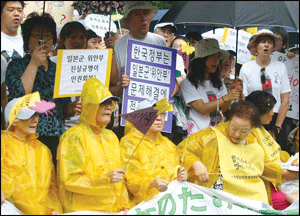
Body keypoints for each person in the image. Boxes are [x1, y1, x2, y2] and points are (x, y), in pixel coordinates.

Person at [5, 12, 81, 168]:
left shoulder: (59, 69)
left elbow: (64, 108)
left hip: (57, 136)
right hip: (28, 137)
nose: (43, 41)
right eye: (37, 36)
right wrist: (33, 64)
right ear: (27, 39)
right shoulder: (17, 65)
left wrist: (72, 108)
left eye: (47, 36)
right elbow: (19, 98)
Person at [177, 100, 284, 204]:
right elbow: (181, 150)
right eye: (233, 128)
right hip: (221, 199)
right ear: (228, 120)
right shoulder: (210, 136)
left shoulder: (254, 141)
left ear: (252, 128)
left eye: (243, 131)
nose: (237, 134)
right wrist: (196, 163)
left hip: (252, 197)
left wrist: (286, 172)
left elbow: (265, 166)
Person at [57, 78, 131, 213]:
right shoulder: (74, 136)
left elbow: (120, 178)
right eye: (103, 103)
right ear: (90, 106)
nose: (109, 107)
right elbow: (70, 180)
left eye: (111, 103)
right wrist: (105, 179)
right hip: (84, 210)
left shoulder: (111, 137)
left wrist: (124, 204)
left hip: (113, 210)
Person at [107, 1, 166, 140]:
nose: (143, 18)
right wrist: (122, 86)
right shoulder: (119, 46)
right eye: (137, 14)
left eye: (145, 13)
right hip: (130, 113)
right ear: (128, 20)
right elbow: (111, 88)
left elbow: (170, 76)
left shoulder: (160, 42)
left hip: (158, 112)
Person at [1, 93, 62, 215]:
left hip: (40, 211)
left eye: (36, 115)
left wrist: (54, 208)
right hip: (10, 208)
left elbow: (51, 186)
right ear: (14, 121)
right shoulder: (3, 143)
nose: (35, 120)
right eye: (28, 116)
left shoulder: (43, 150)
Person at [120, 98, 188, 205]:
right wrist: (151, 183)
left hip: (170, 204)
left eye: (162, 114)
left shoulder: (169, 145)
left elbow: (176, 169)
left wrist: (181, 174)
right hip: (143, 206)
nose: (159, 118)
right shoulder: (129, 142)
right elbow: (130, 179)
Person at [239, 29, 291, 153]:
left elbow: (285, 100)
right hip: (253, 119)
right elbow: (243, 99)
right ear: (255, 46)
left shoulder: (281, 67)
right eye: (262, 42)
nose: (266, 45)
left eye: (269, 42)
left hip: (276, 118)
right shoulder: (246, 68)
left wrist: (277, 128)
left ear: (273, 47)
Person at [246, 90, 299, 209]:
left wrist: (292, 162)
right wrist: (290, 173)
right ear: (260, 112)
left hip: (281, 179)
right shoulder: (248, 134)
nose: (272, 114)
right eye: (271, 110)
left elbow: (279, 154)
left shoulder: (261, 130)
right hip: (265, 186)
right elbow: (262, 167)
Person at [180, 38, 242, 135]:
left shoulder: (219, 82)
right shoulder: (187, 83)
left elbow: (224, 109)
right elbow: (202, 108)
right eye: (212, 56)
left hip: (217, 135)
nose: (216, 61)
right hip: (196, 136)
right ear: (201, 59)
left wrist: (232, 94)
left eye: (218, 57)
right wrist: (226, 97)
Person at [50, 21, 87, 131]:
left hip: (85, 126)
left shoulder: (93, 63)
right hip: (61, 125)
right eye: (73, 37)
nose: (78, 41)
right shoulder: (51, 63)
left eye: (82, 37)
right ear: (62, 40)